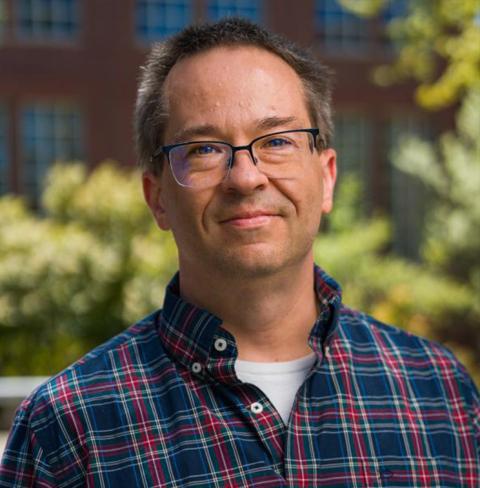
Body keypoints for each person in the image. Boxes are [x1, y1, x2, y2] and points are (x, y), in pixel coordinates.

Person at [1, 18, 479, 487]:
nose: (246, 177)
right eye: (205, 149)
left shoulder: (441, 393)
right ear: (157, 198)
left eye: (276, 141)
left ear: (327, 176)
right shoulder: (66, 429)